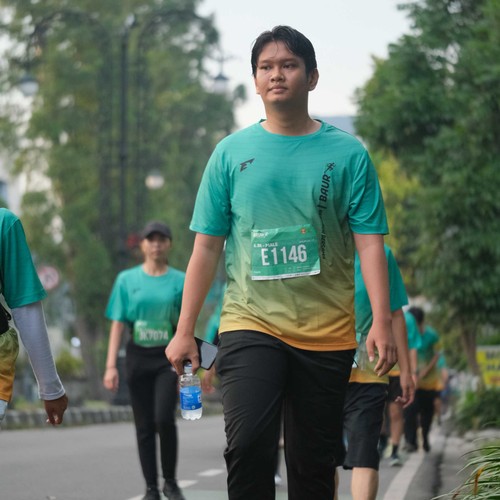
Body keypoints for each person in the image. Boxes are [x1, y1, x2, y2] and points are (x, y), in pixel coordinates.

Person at [166, 25, 397, 500]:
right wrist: (185, 330)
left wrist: (381, 322)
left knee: (314, 466)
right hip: (249, 323)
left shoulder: (348, 154)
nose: (277, 75)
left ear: (311, 77)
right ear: (255, 81)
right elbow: (206, 248)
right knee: (248, 443)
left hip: (327, 332)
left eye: (289, 65)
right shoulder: (229, 154)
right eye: (266, 67)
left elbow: (370, 244)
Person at [103, 221, 186, 500]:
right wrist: (110, 366)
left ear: (169, 244)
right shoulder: (126, 280)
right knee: (144, 425)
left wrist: (187, 368)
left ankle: (170, 482)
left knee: (164, 418)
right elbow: (117, 324)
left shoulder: (180, 280)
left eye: (162, 239)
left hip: (167, 358)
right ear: (142, 245)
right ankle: (151, 488)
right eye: (151, 239)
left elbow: (185, 325)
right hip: (137, 357)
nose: (156, 244)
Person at [339, 245, 415, 500]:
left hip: (369, 372)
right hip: (320, 370)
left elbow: (395, 314)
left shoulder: (382, 254)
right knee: (322, 459)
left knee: (364, 454)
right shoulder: (317, 242)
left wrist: (406, 372)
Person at [0, 208, 68, 425]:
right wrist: (51, 388)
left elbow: (25, 308)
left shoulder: (3, 223)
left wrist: (50, 387)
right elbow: (25, 309)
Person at [383, 309, 421, 465]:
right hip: (374, 370)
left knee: (395, 412)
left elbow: (412, 347)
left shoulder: (408, 319)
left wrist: (412, 373)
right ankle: (379, 443)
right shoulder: (368, 303)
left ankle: (394, 450)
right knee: (375, 411)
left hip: (398, 372)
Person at [403, 306, 442, 453]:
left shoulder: (432, 335)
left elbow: (437, 354)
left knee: (427, 412)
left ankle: (425, 437)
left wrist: (426, 370)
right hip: (411, 380)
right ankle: (411, 442)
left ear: (421, 323)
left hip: (428, 382)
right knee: (409, 410)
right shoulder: (405, 334)